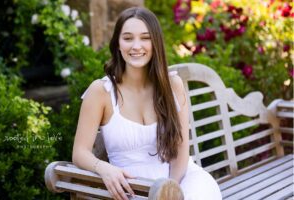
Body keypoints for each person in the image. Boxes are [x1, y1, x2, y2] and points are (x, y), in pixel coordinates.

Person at [72, 7, 222, 200]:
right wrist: (104, 169)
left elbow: (181, 151)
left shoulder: (172, 86)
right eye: (127, 38)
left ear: (155, 43)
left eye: (145, 38)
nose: (136, 46)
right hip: (132, 189)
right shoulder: (101, 92)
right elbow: (79, 152)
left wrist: (170, 192)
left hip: (181, 181)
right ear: (118, 44)